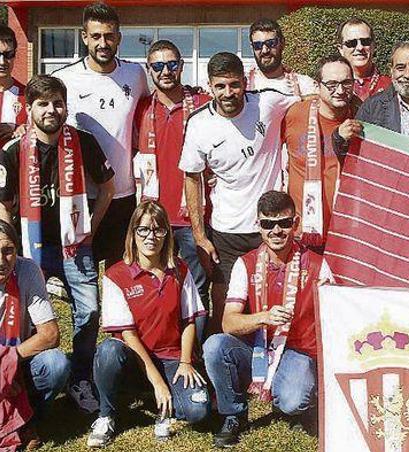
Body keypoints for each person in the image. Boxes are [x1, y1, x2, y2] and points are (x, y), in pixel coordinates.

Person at [0, 75, 114, 414]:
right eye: (43, 104)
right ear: (29, 109)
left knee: (89, 310)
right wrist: (10, 247)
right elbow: (4, 202)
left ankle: (79, 376)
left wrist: (90, 228)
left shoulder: (83, 142)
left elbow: (108, 187)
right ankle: (23, 376)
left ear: (66, 106)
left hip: (74, 245)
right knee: (23, 316)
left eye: (57, 103)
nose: (51, 110)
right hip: (30, 248)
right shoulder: (14, 149)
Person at [179, 52, 298, 335]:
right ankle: (219, 366)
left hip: (269, 227)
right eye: (220, 86)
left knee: (273, 301)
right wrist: (199, 235)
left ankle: (272, 364)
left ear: (245, 82)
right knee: (225, 311)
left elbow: (309, 101)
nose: (228, 92)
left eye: (234, 84)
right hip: (226, 231)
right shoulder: (198, 123)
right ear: (210, 86)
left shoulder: (267, 102)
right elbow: (192, 178)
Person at [203, 191, 331, 448]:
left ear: (295, 224)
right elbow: (229, 323)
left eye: (284, 223)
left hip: (298, 350)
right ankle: (234, 414)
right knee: (214, 346)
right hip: (257, 348)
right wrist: (264, 318)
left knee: (293, 401)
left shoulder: (318, 265)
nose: (276, 231)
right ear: (258, 226)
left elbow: (335, 318)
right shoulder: (245, 264)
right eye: (267, 224)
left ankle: (300, 390)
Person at [87, 201, 209, 448]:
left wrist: (185, 362)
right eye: (143, 230)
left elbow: (189, 321)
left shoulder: (180, 269)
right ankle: (106, 414)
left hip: (172, 358)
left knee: (199, 411)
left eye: (158, 230)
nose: (150, 237)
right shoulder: (115, 275)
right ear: (133, 233)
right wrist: (156, 380)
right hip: (134, 359)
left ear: (167, 233)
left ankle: (162, 402)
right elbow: (128, 335)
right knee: (109, 351)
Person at [52, 1, 147, 267]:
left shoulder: (136, 74)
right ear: (84, 37)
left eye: (108, 36)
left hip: (123, 197)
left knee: (122, 277)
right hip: (79, 196)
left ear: (118, 37)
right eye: (95, 36)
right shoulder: (65, 79)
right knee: (82, 278)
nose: (102, 43)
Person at [133, 40, 211, 339]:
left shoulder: (204, 103)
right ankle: (160, 346)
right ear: (149, 70)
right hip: (153, 216)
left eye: (172, 64)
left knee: (197, 283)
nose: (166, 71)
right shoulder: (140, 108)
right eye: (158, 66)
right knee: (156, 283)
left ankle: (198, 351)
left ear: (182, 65)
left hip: (192, 216)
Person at [0, 218, 70, 434]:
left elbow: (50, 335)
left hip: (18, 363)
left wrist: (6, 364)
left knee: (55, 364)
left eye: (8, 250)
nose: (0, 260)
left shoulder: (27, 270)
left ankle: (29, 419)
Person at [282, 55, 358, 247]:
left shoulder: (362, 118)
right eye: (331, 84)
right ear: (317, 86)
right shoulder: (295, 114)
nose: (340, 90)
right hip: (303, 234)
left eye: (346, 83)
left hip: (348, 234)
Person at [0, 25, 26, 218]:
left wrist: (23, 130)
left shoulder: (28, 97)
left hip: (14, 198)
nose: (1, 61)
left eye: (8, 54)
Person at [246, 18, 316, 96]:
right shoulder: (242, 86)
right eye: (258, 45)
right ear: (252, 47)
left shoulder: (305, 86)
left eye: (271, 43)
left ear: (282, 43)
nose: (265, 50)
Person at [336, 17, 391, 101]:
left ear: (373, 46)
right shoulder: (331, 88)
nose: (360, 47)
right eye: (351, 43)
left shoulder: (391, 86)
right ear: (341, 49)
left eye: (365, 42)